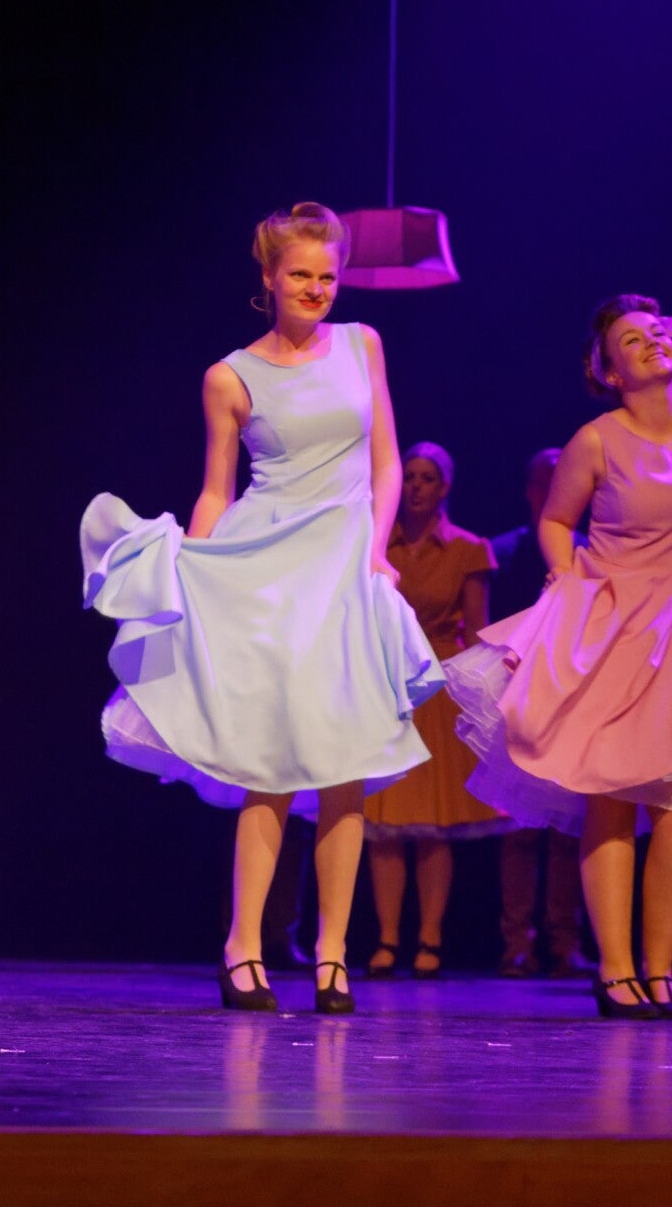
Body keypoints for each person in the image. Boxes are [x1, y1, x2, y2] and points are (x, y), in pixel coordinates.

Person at [81, 202, 441, 1015]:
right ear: (270, 279)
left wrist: (375, 548)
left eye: (328, 276)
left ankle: (334, 955)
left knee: (348, 765)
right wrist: (191, 570)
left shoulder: (363, 344)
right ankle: (243, 947)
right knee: (270, 768)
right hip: (270, 572)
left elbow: (386, 462)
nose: (316, 288)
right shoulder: (230, 375)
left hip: (346, 568)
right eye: (300, 275)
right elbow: (217, 489)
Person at [444, 296, 672, 1019]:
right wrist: (566, 575)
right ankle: (616, 970)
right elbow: (556, 521)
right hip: (611, 623)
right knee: (613, 797)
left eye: (657, 330)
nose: (652, 341)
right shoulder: (596, 440)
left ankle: (661, 969)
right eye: (631, 339)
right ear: (611, 371)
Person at [362, 442, 509, 978]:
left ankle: (430, 938)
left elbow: (477, 628)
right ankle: (386, 938)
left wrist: (489, 695)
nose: (417, 486)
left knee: (431, 824)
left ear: (444, 487)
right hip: (387, 679)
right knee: (382, 820)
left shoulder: (468, 548)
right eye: (410, 476)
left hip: (438, 683)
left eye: (427, 478)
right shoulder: (377, 544)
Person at [489, 448, 591, 978]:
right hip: (518, 688)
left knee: (570, 823)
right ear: (532, 491)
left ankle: (564, 938)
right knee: (519, 824)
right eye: (546, 482)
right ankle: (516, 941)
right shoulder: (507, 551)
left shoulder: (591, 552)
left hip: (572, 691)